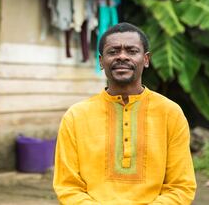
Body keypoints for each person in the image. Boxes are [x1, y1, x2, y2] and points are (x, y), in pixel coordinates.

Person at [53, 22, 196, 204]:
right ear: (100, 61)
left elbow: (181, 186)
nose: (122, 56)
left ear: (146, 59)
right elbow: (67, 187)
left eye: (131, 51)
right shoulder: (76, 116)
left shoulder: (170, 113)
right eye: (113, 52)